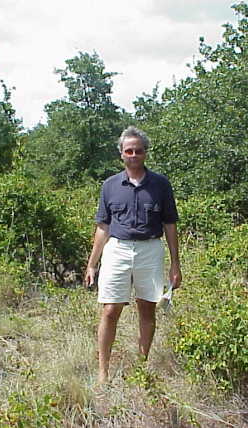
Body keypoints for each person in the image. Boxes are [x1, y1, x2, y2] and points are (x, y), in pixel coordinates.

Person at [85, 126, 182, 384]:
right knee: (110, 309)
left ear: (145, 153)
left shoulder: (161, 184)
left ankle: (140, 368)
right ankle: (103, 373)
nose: (134, 155)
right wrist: (92, 264)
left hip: (150, 249)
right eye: (129, 151)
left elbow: (170, 224)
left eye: (138, 150)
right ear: (121, 154)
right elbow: (102, 227)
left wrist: (175, 265)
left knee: (147, 309)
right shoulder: (110, 185)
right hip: (117, 249)